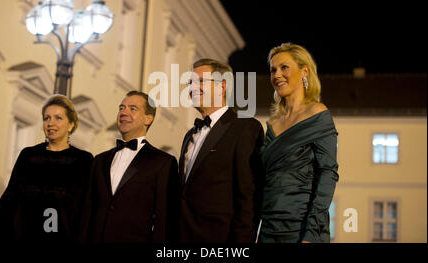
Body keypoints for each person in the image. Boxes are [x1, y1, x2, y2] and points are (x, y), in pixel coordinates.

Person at [258, 43, 339, 243]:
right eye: (273, 70)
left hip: (301, 230)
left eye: (284, 67)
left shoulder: (317, 113)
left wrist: (311, 233)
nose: (277, 74)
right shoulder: (272, 123)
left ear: (304, 71)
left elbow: (328, 174)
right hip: (268, 229)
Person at [178, 59, 264, 243]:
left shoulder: (246, 127)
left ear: (222, 86)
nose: (193, 87)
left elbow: (248, 196)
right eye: (191, 82)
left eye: (200, 81)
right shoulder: (189, 135)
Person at [82, 91, 179, 243]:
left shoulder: (163, 163)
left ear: (148, 118)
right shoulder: (99, 160)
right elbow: (87, 212)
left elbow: (164, 220)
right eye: (121, 108)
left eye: (132, 109)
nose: (124, 113)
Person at [0, 94, 93, 243]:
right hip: (25, 237)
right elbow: (10, 199)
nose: (50, 123)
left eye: (58, 118)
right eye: (47, 118)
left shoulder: (83, 160)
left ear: (71, 124)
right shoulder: (28, 155)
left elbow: (87, 207)